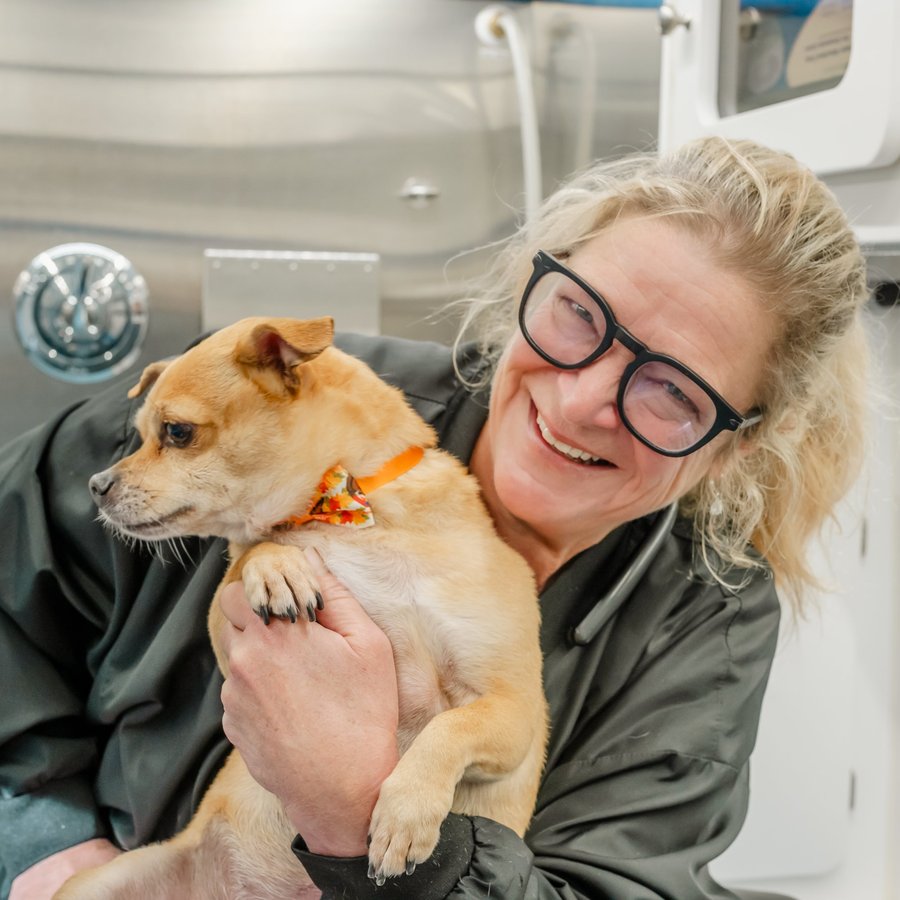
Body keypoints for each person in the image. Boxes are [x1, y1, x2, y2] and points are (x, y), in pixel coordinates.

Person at [0, 136, 870, 899]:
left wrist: (349, 804)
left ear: (734, 446)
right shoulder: (280, 403)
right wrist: (44, 837)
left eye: (672, 392)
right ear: (532, 279)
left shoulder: (701, 622)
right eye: (580, 316)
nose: (580, 403)